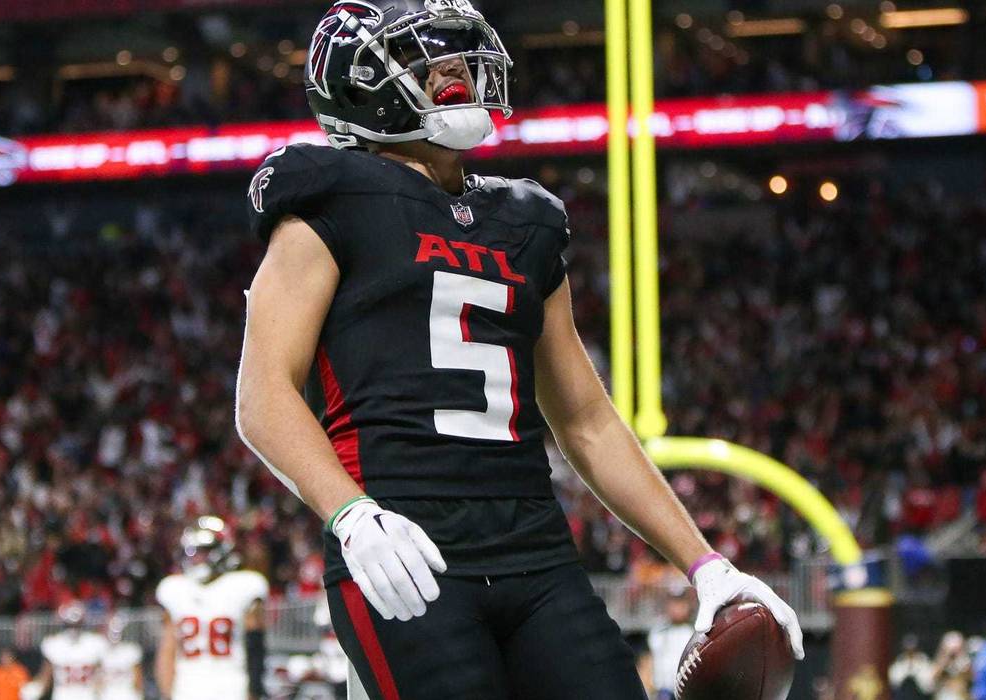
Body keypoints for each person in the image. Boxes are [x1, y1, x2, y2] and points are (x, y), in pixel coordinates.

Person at [235, 1, 803, 697]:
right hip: (405, 541)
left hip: (534, 546)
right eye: (430, 60)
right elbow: (263, 396)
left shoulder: (524, 220)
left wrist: (705, 564)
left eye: (460, 57)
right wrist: (350, 514)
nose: (457, 73)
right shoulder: (331, 198)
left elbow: (587, 423)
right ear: (359, 85)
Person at [154, 517, 268, 700]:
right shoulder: (175, 589)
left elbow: (255, 648)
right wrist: (167, 692)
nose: (198, 558)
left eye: (204, 551)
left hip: (231, 688)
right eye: (194, 552)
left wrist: (253, 691)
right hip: (188, 689)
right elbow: (168, 651)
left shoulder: (244, 585)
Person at [23, 602, 108, 700]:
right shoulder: (54, 644)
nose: (73, 629)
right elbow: (45, 677)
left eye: (77, 625)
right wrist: (34, 689)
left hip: (87, 696)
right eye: (70, 625)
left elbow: (101, 674)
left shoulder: (95, 643)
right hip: (63, 696)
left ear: (83, 624)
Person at [646, 585, 697, 699]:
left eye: (680, 603)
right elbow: (648, 660)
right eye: (673, 603)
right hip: (663, 691)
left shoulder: (695, 632)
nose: (676, 607)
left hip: (687, 690)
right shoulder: (658, 631)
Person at [100, 613, 144, 700]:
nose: (114, 633)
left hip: (127, 695)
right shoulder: (101, 650)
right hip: (108, 695)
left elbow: (138, 678)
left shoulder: (131, 650)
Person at [888, 635, 933, 700]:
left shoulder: (924, 662)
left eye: (913, 650)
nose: (910, 652)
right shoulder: (898, 663)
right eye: (908, 650)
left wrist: (915, 669)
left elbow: (928, 686)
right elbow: (894, 683)